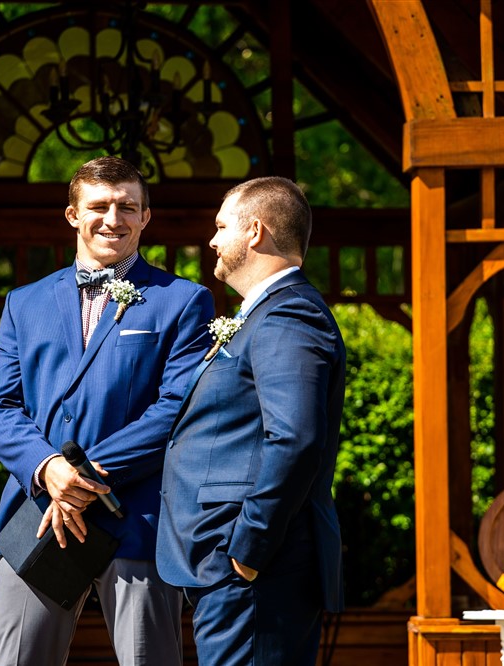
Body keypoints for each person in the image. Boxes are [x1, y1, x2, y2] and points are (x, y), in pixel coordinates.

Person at [0, 156, 214, 666]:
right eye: (99, 206)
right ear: (72, 214)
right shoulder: (25, 302)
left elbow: (175, 409)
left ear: (145, 216)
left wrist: (81, 480)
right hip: (40, 514)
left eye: (127, 207)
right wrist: (48, 469)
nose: (113, 219)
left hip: (136, 517)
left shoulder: (183, 301)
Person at [156, 176, 346, 665]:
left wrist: (248, 550)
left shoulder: (289, 315)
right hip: (234, 571)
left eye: (222, 227)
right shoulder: (264, 315)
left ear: (255, 232)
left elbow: (295, 438)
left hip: (256, 573)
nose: (212, 240)